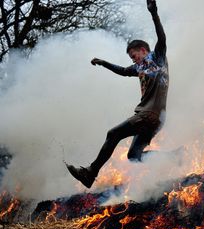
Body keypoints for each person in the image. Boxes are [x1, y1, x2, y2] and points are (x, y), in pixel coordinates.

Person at [67, 0, 168, 189]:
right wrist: (103, 62)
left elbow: (161, 37)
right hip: (157, 119)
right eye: (131, 58)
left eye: (134, 55)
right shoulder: (139, 67)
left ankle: (90, 173)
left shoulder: (158, 57)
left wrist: (154, 13)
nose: (133, 59)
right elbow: (122, 70)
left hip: (150, 114)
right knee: (134, 156)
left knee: (113, 134)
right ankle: (174, 157)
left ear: (143, 50)